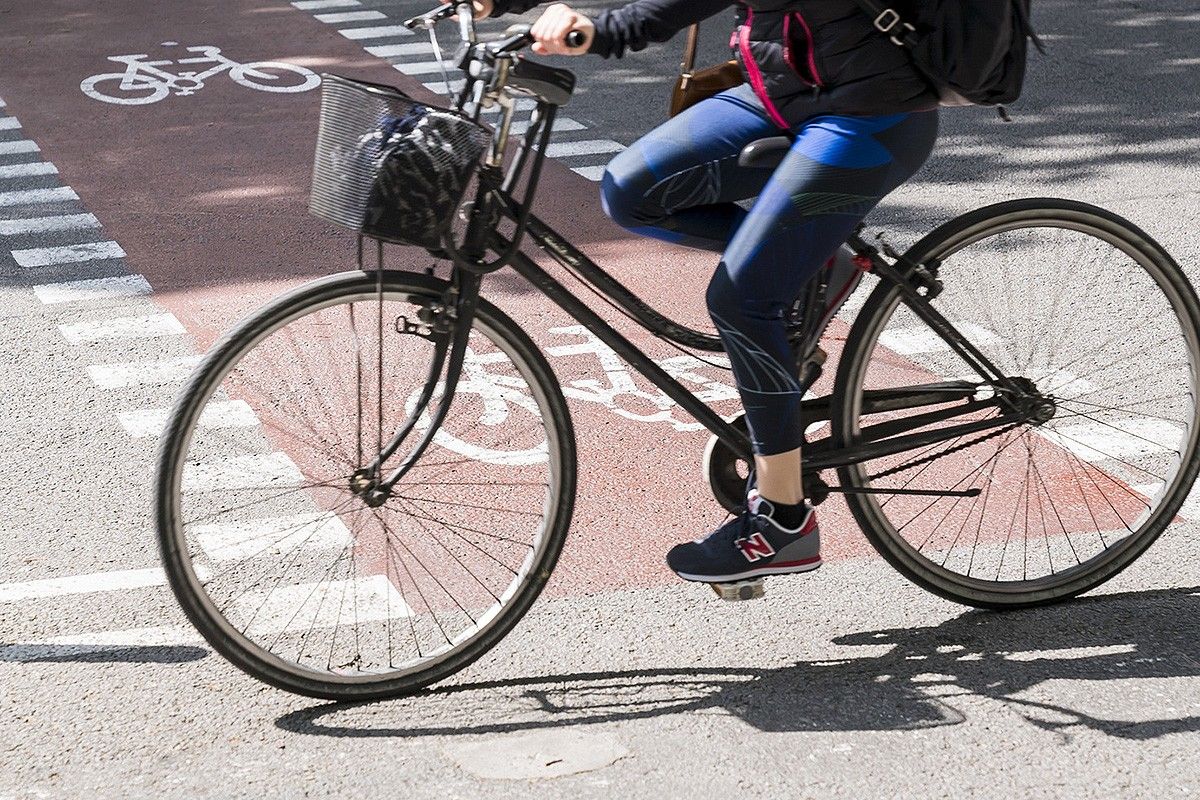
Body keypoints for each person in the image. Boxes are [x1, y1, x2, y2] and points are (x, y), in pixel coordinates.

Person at [454, 0, 940, 585]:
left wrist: (599, 31)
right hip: (786, 92)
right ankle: (811, 263)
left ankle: (784, 520)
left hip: (870, 117)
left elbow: (665, 12)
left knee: (741, 298)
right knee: (632, 189)